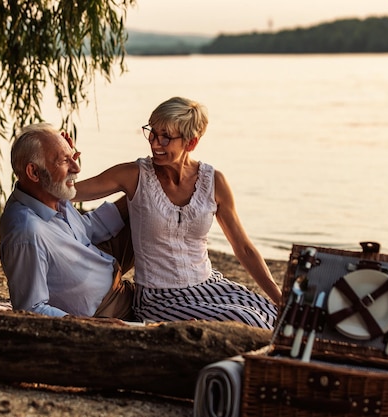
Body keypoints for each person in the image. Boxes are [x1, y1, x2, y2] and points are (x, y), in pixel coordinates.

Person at [73, 96, 281, 329]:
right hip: (158, 297)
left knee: (273, 315)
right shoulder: (134, 175)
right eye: (152, 132)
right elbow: (71, 192)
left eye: (166, 137)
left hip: (208, 286)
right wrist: (66, 165)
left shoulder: (214, 181)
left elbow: (243, 248)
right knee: (249, 322)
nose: (155, 143)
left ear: (191, 143)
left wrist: (279, 298)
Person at [0, 122, 135, 320]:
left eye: (73, 157)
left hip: (106, 271)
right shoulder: (27, 232)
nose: (77, 168)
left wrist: (134, 193)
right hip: (106, 308)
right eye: (64, 161)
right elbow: (31, 308)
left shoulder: (51, 196)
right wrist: (92, 326)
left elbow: (87, 231)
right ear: (34, 172)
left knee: (146, 193)